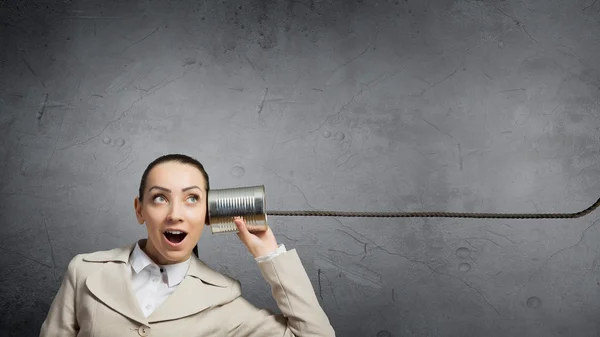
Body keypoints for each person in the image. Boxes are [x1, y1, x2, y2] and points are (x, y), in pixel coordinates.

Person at [39, 153, 336, 337]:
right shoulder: (85, 273)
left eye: (192, 198)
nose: (176, 214)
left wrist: (269, 255)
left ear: (208, 213)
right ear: (139, 209)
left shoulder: (223, 300)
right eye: (159, 197)